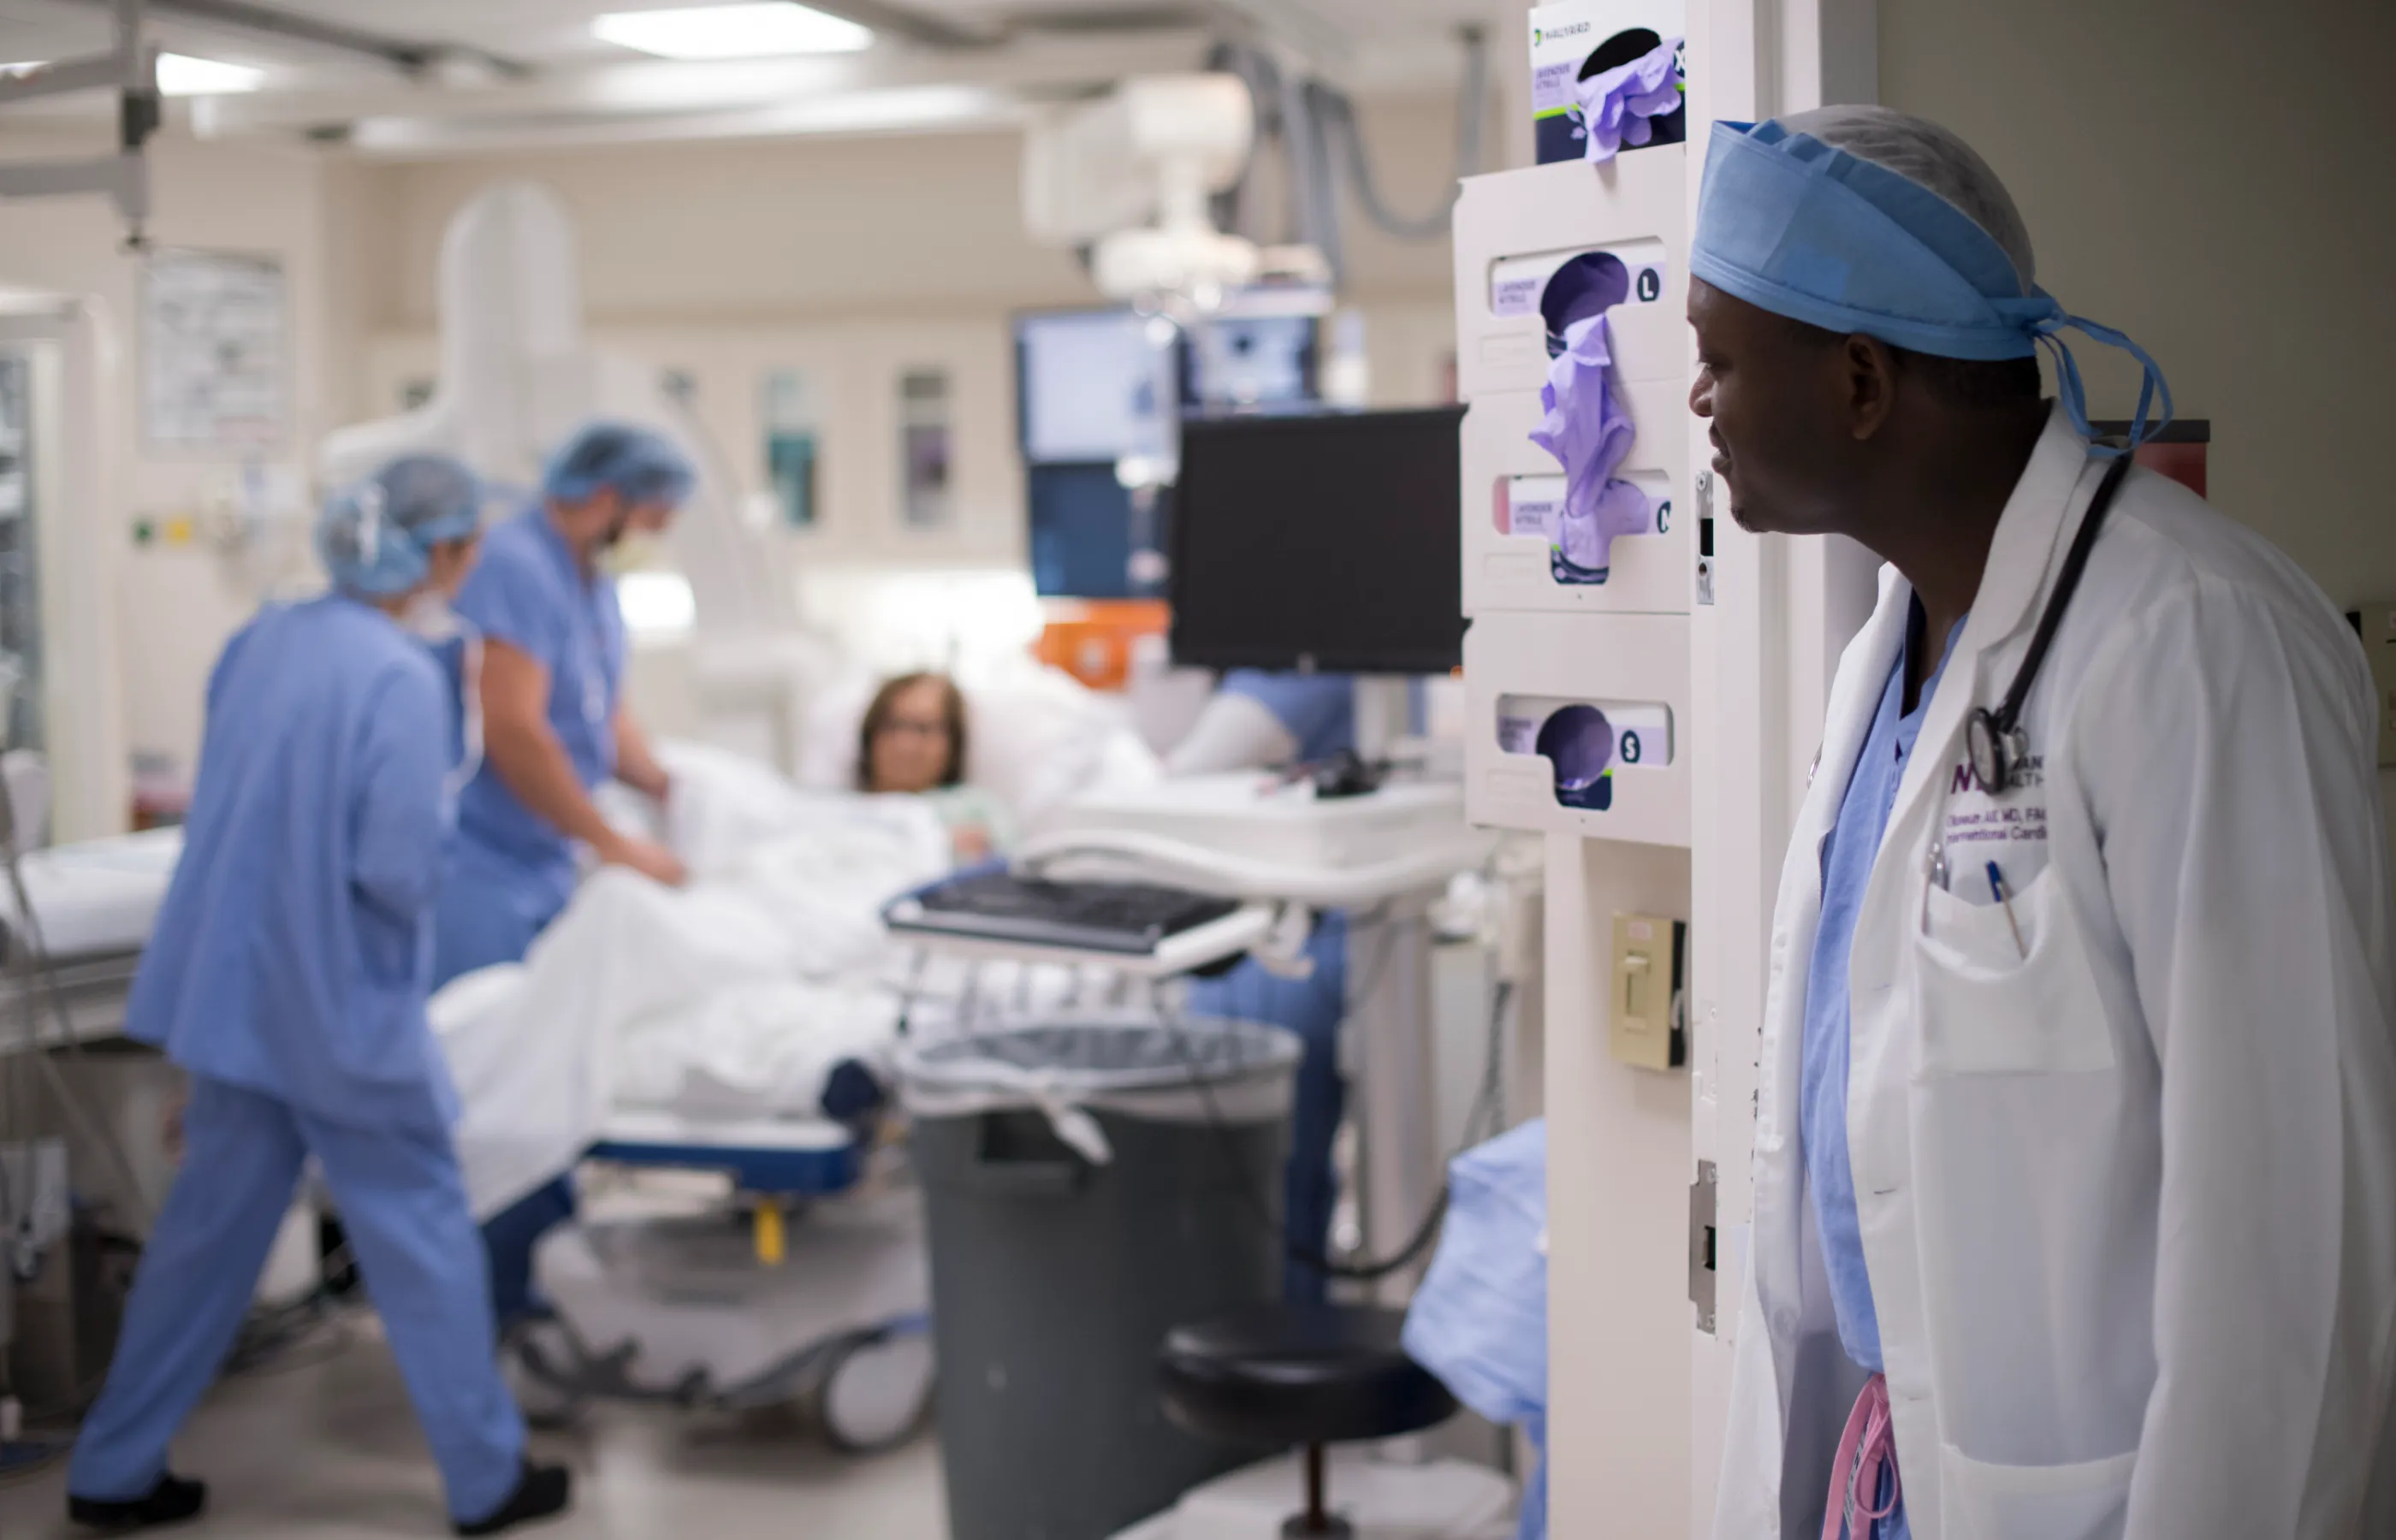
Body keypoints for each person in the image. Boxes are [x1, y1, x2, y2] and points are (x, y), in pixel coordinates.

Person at [1687, 107, 2396, 1539]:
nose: (1697, 400)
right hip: (1886, 1468)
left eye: (1718, 356)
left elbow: (2287, 1245)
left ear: (1863, 381)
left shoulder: (2197, 643)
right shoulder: (1887, 651)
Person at [65, 458, 571, 1537]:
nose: (476, 560)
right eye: (468, 542)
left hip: (235, 1000)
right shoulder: (399, 678)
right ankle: (487, 1482)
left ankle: (112, 1471)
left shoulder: (262, 639)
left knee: (202, 1243)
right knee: (424, 1236)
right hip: (337, 1007)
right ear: (434, 552)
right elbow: (395, 868)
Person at [430, 421, 696, 1327]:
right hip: (480, 869)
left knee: (545, 1078)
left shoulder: (590, 583)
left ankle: (542, 1283)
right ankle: (500, 1302)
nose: (654, 531)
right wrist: (614, 846)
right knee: (499, 1086)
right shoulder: (515, 563)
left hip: (540, 862)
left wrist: (668, 789)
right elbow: (517, 732)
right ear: (609, 494)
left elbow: (600, 711)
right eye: (652, 511)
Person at [1172, 670, 1358, 1303]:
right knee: (1299, 1178)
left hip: (1286, 943)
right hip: (1332, 936)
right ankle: (1299, 1317)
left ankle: (1262, 1323)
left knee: (1263, 1176)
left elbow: (1191, 773)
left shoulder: (1295, 668)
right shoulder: (1360, 670)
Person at [856, 671, 1011, 862]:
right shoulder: (835, 812)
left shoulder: (977, 813)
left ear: (953, 742)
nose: (906, 744)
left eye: (924, 729)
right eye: (893, 725)